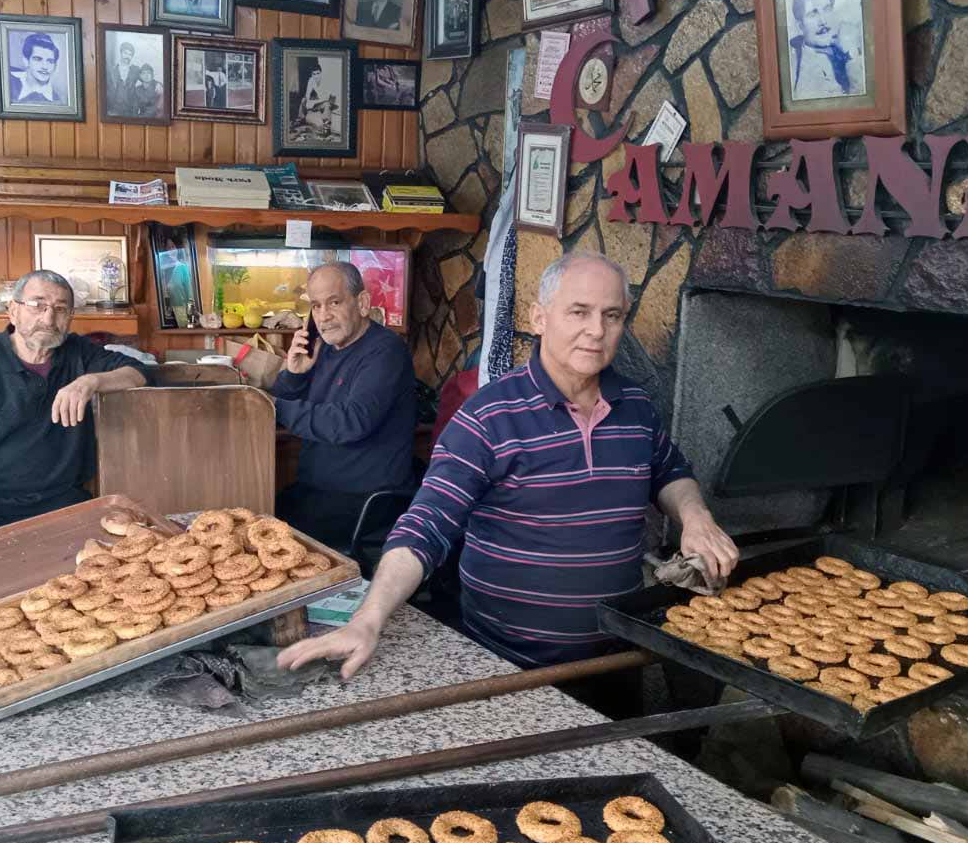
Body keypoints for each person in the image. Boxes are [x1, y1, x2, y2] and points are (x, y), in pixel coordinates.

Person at [278, 253, 738, 692]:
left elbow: (669, 468)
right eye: (578, 312)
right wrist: (368, 620)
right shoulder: (489, 417)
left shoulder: (636, 407)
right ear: (540, 318)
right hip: (508, 663)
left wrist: (695, 518)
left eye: (611, 315)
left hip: (614, 658)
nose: (595, 331)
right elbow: (426, 525)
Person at [0, 270, 148, 541]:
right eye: (37, 305)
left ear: (70, 318)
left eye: (60, 309)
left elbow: (139, 373)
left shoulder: (79, 354)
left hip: (59, 510)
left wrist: (90, 381)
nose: (48, 318)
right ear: (13, 311)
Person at [272, 261, 417, 551]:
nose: (324, 317)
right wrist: (294, 375)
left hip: (364, 499)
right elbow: (284, 405)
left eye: (334, 302)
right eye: (316, 306)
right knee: (255, 515)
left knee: (269, 543)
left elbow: (351, 422)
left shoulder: (386, 351)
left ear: (362, 303)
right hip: (318, 492)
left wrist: (271, 405)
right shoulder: (325, 346)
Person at [787, 0, 861, 100]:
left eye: (827, 9)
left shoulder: (842, 46)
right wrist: (852, 59)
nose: (823, 21)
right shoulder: (803, 73)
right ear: (800, 26)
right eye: (813, 14)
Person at [9, 33, 62, 104]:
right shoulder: (7, 77)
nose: (45, 67)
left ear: (55, 66)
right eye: (38, 59)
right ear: (26, 61)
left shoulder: (56, 101)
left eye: (50, 61)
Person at [105, 38, 137, 115]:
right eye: (125, 53)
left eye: (130, 54)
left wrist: (158, 84)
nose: (127, 56)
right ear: (121, 53)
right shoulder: (111, 70)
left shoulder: (135, 70)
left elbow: (147, 78)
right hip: (112, 110)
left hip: (129, 111)